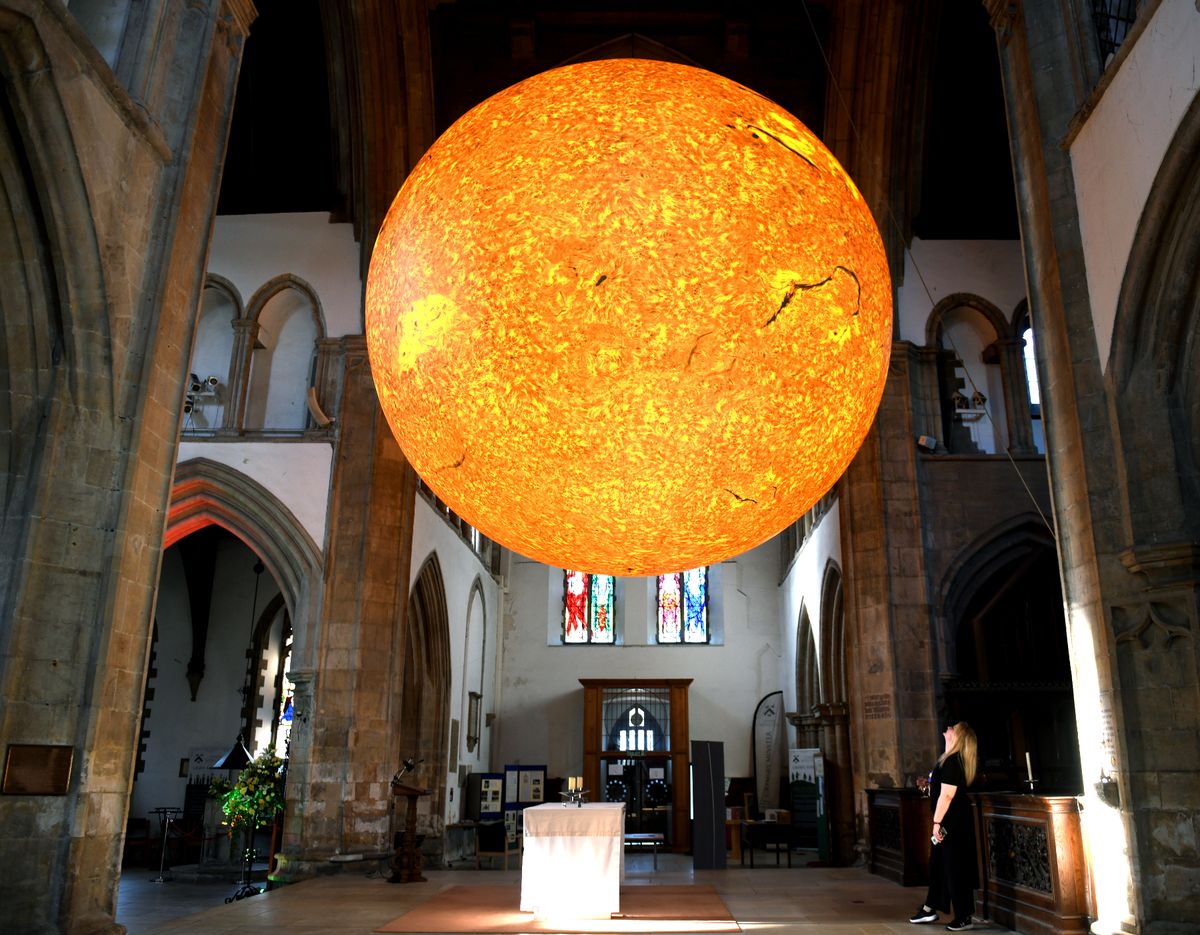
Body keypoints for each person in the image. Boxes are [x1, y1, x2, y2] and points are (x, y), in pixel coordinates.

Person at [909, 722, 979, 932]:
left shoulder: (953, 762)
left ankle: (964, 916)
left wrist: (937, 823)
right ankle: (931, 907)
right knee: (938, 863)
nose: (947, 728)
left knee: (955, 868)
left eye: (952, 728)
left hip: (952, 824)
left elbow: (947, 796)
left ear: (957, 736)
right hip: (950, 822)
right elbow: (942, 790)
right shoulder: (948, 760)